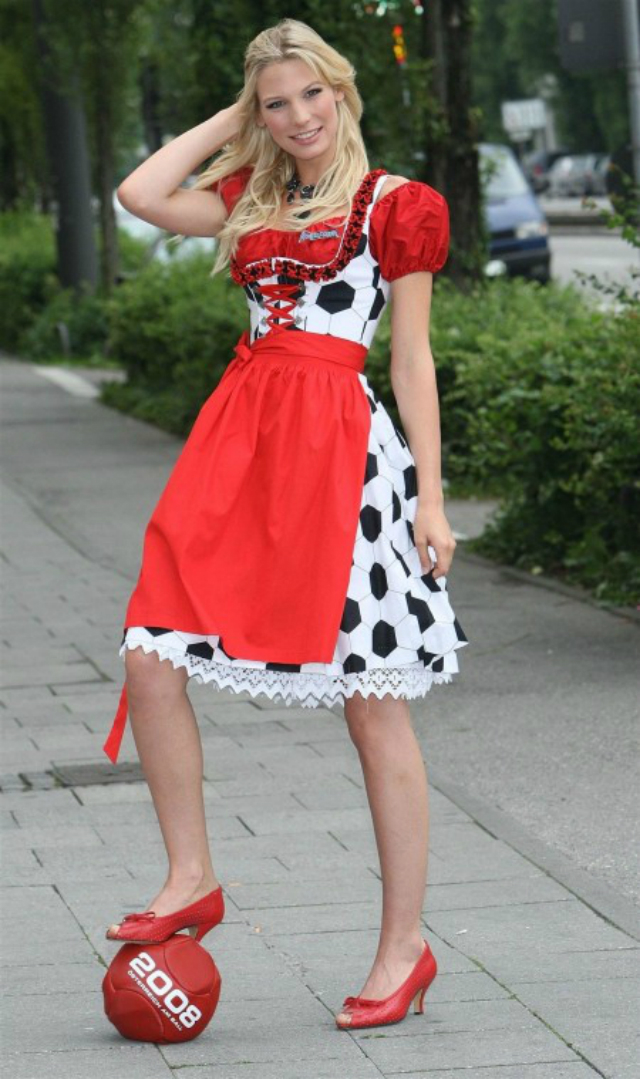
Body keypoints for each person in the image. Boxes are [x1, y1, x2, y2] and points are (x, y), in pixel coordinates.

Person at [103, 17, 469, 1031]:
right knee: (150, 649)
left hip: (340, 450)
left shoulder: (396, 205)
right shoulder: (251, 200)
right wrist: (235, 115)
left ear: (343, 93)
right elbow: (139, 193)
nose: (299, 115)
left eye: (313, 93)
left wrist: (432, 497)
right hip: (240, 441)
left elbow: (410, 359)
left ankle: (403, 947)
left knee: (373, 703)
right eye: (277, 103)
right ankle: (190, 874)